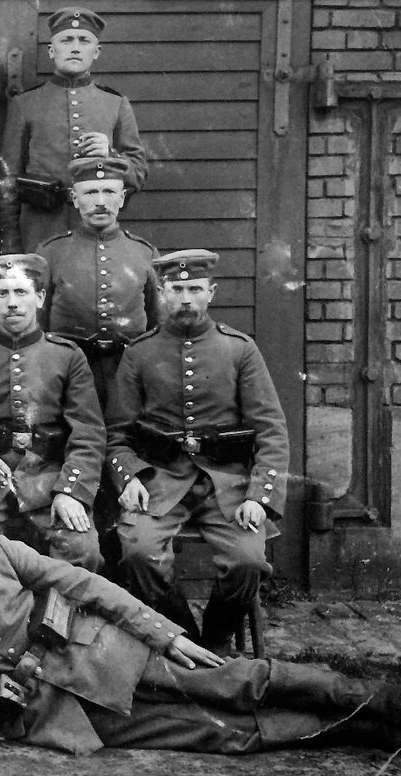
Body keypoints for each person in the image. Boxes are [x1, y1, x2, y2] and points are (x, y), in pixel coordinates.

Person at [0, 490, 401, 762]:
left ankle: (380, 700)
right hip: (62, 711)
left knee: (236, 680)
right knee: (218, 735)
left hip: (106, 652)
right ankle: (362, 729)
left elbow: (89, 586)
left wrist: (165, 634)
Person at [106, 250, 289, 653]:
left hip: (227, 484)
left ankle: (217, 640)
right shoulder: (139, 352)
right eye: (176, 289)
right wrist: (129, 476)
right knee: (139, 554)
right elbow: (118, 433)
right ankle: (183, 637)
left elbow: (271, 430)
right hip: (160, 481)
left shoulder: (239, 349)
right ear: (162, 293)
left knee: (248, 560)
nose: (186, 299)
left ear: (211, 292)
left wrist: (259, 497)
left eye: (195, 289)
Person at [0, 254, 104, 571]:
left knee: (82, 551)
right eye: (2, 294)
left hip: (49, 479)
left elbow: (88, 432)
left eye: (21, 292)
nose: (12, 303)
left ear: (39, 298)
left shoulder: (67, 357)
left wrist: (70, 491)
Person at [0, 6, 147, 253]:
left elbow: (138, 172)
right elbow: (8, 182)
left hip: (96, 231)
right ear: (51, 50)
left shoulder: (115, 104)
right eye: (66, 40)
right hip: (40, 230)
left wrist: (111, 154)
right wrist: (12, 244)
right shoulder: (25, 104)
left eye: (84, 40)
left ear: (96, 52)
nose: (75, 48)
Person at [37, 156, 159, 410]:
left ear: (122, 198)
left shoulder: (144, 253)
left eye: (109, 192)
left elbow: (159, 323)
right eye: (91, 192)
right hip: (69, 374)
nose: (101, 202)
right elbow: (39, 322)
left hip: (128, 374)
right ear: (74, 198)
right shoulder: (51, 252)